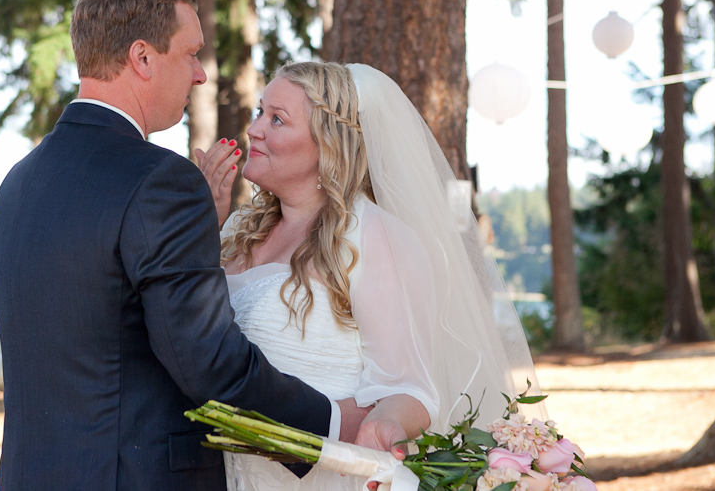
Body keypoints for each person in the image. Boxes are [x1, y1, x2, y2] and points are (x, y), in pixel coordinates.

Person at [0, 0, 370, 491]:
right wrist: (331, 424)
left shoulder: (19, 183)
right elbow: (211, 363)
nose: (201, 75)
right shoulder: (159, 182)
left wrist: (197, 235)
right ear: (142, 58)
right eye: (190, 54)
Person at [197, 62, 543, 491]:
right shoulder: (236, 230)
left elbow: (411, 388)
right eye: (260, 112)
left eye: (277, 119)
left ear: (327, 143)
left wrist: (385, 420)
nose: (254, 129)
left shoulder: (373, 237)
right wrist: (203, 227)